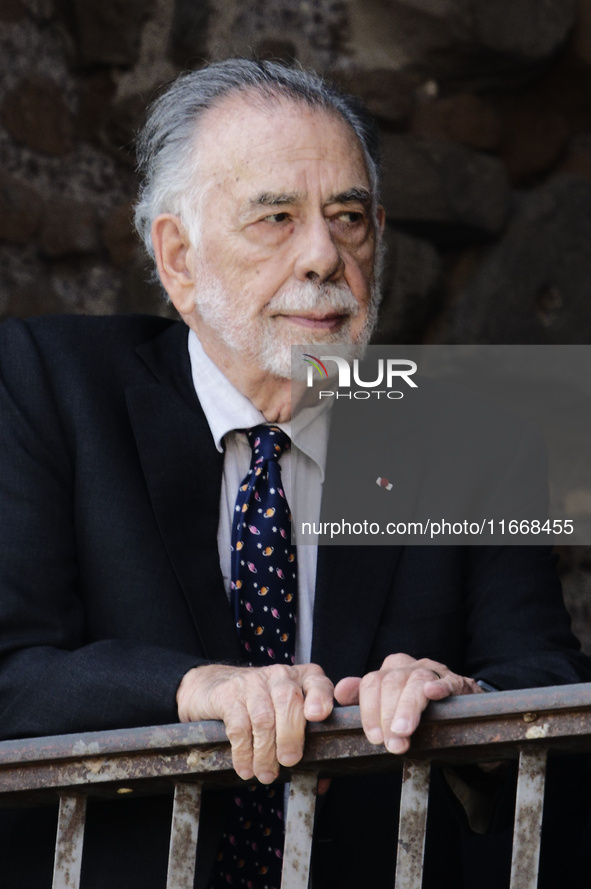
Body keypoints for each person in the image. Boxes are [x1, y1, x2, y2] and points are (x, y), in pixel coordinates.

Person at [0, 59, 589, 889]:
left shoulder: (472, 444)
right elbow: (12, 669)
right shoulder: (46, 386)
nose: (323, 254)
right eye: (275, 217)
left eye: (348, 218)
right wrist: (196, 689)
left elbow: (547, 683)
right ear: (178, 258)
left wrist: (465, 698)